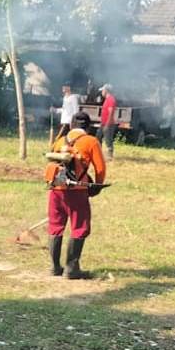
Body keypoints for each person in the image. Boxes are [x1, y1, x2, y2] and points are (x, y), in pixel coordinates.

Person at [45, 111, 106, 279]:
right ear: (88, 127)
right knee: (80, 227)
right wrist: (97, 186)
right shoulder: (91, 141)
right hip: (77, 191)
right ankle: (71, 268)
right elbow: (100, 168)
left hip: (56, 189)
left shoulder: (59, 141)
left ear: (72, 125)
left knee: (55, 225)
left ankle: (54, 267)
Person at [99, 84, 117, 158]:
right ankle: (98, 153)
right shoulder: (107, 99)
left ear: (106, 90)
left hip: (108, 124)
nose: (101, 92)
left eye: (102, 90)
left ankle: (109, 156)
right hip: (103, 123)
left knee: (108, 139)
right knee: (98, 137)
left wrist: (107, 125)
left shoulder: (110, 99)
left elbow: (111, 113)